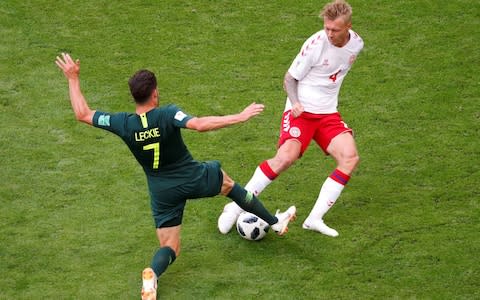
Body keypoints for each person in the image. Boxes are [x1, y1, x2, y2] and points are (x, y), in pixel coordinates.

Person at [55, 53, 296, 300]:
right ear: (155, 93)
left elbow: (83, 114)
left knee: (170, 247)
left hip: (161, 191)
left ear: (134, 96)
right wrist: (240, 116)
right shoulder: (167, 114)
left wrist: (72, 78)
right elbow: (200, 124)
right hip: (191, 176)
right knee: (228, 185)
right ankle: (275, 222)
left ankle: (152, 277)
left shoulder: (123, 123)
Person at [218, 0, 363, 238]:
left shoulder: (356, 44)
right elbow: (289, 78)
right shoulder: (316, 44)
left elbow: (333, 78)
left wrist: (338, 129)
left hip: (327, 114)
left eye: (334, 30)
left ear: (348, 26)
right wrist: (295, 102)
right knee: (285, 158)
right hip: (301, 111)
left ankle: (314, 219)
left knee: (350, 157)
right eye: (326, 27)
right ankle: (235, 206)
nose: (328, 33)